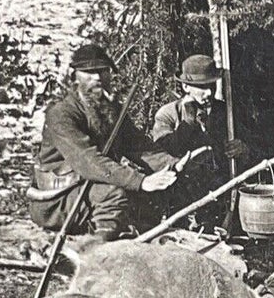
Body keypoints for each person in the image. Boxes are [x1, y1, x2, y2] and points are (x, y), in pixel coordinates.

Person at [26, 43, 184, 240]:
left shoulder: (111, 110)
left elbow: (137, 146)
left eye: (103, 71)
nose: (98, 78)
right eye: (89, 72)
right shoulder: (61, 114)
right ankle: (100, 255)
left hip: (91, 186)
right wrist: (140, 181)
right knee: (113, 194)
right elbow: (87, 160)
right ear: (75, 76)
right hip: (57, 199)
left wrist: (172, 163)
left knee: (148, 200)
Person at [150, 53, 248, 207]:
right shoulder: (168, 115)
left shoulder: (227, 113)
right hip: (184, 199)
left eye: (212, 85)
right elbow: (163, 154)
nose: (209, 92)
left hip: (224, 194)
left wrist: (242, 149)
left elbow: (254, 149)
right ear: (185, 86)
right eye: (202, 87)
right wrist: (188, 120)